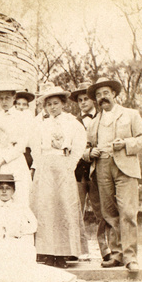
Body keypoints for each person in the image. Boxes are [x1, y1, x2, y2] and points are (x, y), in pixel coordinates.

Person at [85, 77, 142, 272]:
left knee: (128, 212)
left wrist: (126, 144)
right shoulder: (94, 122)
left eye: (105, 93)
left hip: (125, 167)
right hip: (102, 166)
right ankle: (117, 255)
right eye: (98, 95)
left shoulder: (130, 115)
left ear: (114, 94)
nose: (102, 97)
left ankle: (131, 257)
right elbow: (86, 148)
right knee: (109, 213)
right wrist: (90, 153)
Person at [0, 174, 76, 282]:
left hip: (15, 241)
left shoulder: (20, 207)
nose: (4, 191)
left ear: (13, 191)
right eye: (0, 188)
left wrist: (20, 232)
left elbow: (33, 224)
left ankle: (6, 278)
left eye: (8, 188)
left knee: (22, 251)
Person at [29, 85, 88, 268]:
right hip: (46, 167)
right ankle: (46, 252)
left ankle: (64, 253)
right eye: (49, 104)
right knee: (45, 208)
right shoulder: (41, 124)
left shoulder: (72, 123)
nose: (52, 107)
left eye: (56, 103)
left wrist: (70, 163)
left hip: (63, 167)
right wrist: (41, 164)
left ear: (63, 104)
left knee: (64, 207)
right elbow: (34, 146)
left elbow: (80, 144)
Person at [70, 81, 111, 262]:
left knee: (101, 211)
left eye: (86, 99)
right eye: (80, 100)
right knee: (75, 210)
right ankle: (77, 249)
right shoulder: (73, 122)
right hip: (78, 173)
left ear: (93, 100)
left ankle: (106, 249)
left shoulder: (103, 119)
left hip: (98, 172)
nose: (83, 102)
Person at [0, 82, 31, 207]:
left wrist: (2, 160)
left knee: (18, 195)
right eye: (1, 98)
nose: (4, 101)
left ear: (14, 98)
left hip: (14, 160)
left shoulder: (22, 117)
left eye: (7, 98)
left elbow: (21, 146)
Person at [14, 89, 36, 170]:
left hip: (26, 151)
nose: (21, 107)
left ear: (27, 106)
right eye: (19, 104)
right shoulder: (12, 117)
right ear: (15, 105)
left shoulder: (30, 119)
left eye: (24, 104)